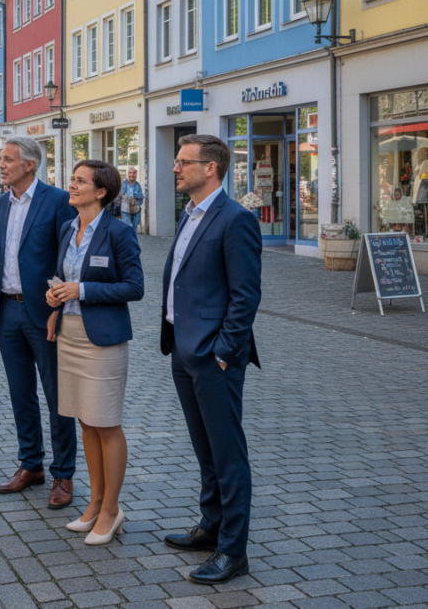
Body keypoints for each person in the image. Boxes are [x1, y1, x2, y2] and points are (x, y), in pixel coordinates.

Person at [161, 134, 262, 586]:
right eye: (178, 161)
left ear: (211, 169)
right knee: (205, 450)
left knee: (228, 454)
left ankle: (232, 550)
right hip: (183, 350)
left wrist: (223, 353)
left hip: (212, 355)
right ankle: (211, 526)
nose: (176, 168)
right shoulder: (190, 214)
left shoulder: (235, 218)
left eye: (184, 162)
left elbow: (245, 296)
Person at [45, 160, 144, 545]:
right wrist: (55, 300)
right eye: (72, 179)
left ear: (101, 191)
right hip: (69, 334)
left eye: (80, 181)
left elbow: (134, 287)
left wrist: (81, 291)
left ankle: (112, 509)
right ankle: (95, 501)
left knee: (106, 422)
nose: (71, 185)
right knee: (85, 421)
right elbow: (62, 278)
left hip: (102, 340)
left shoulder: (118, 233)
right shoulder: (69, 228)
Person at [0, 137, 78, 509]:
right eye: (1, 159)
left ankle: (63, 474)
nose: (1, 165)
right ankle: (31, 464)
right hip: (7, 312)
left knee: (58, 398)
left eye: (7, 160)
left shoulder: (56, 201)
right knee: (21, 394)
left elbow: (67, 260)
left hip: (44, 314)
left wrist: (57, 308)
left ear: (29, 165)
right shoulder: (1, 203)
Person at [119, 167, 145, 238]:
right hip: (125, 210)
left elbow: (141, 197)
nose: (132, 175)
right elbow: (120, 196)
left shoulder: (138, 185)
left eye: (134, 173)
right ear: (128, 174)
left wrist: (137, 204)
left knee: (134, 229)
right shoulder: (124, 184)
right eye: (130, 173)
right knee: (127, 227)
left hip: (136, 210)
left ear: (136, 174)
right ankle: (126, 245)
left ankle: (133, 245)